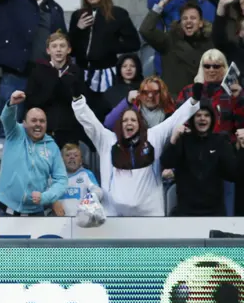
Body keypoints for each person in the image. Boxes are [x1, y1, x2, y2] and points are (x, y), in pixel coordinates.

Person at [71, 83, 202, 217]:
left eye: (133, 120)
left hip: (150, 217)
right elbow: (91, 123)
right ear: (120, 125)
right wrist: (78, 100)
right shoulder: (107, 140)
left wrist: (193, 101)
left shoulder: (153, 137)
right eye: (125, 120)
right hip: (115, 217)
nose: (129, 123)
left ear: (140, 124)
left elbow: (175, 119)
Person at [69, 0, 141, 119]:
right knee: (86, 115)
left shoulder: (118, 14)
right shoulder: (78, 15)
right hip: (83, 74)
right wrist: (78, 29)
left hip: (109, 74)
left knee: (109, 113)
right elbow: (71, 50)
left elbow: (134, 43)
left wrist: (108, 46)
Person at [161, 99, 243, 216]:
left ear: (212, 119)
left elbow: (234, 174)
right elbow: (166, 162)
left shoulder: (220, 141)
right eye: (198, 115)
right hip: (185, 212)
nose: (202, 119)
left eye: (206, 115)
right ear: (192, 119)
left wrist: (242, 150)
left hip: (214, 212)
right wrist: (174, 139)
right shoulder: (183, 140)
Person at [0, 91, 67, 217]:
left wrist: (46, 197)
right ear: (24, 123)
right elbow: (7, 118)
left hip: (35, 215)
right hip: (3, 212)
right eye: (33, 120)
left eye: (42, 121)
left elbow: (61, 180)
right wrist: (11, 104)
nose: (38, 124)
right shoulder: (15, 133)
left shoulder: (52, 147)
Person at [140, 0, 214, 96]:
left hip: (199, 102)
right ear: (180, 23)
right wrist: (162, 3)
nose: (188, 21)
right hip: (173, 103)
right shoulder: (169, 40)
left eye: (193, 18)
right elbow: (146, 30)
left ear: (201, 23)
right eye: (184, 18)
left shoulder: (209, 45)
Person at [23, 31, 86, 148]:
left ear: (69, 50)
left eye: (62, 46)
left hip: (69, 130)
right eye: (54, 46)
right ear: (48, 50)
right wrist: (54, 82)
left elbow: (79, 100)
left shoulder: (75, 72)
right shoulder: (38, 71)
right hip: (44, 130)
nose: (58, 50)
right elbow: (31, 101)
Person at [104, 76, 176, 130]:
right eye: (145, 92)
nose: (150, 96)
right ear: (140, 93)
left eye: (155, 92)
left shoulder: (171, 111)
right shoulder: (132, 108)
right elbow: (108, 124)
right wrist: (127, 102)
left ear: (162, 94)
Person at [52, 143, 102, 217]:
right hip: (57, 221)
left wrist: (88, 201)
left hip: (81, 219)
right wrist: (53, 202)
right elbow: (43, 195)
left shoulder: (86, 174)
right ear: (61, 159)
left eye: (75, 155)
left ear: (81, 160)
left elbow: (98, 191)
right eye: (68, 155)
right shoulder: (54, 176)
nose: (72, 157)